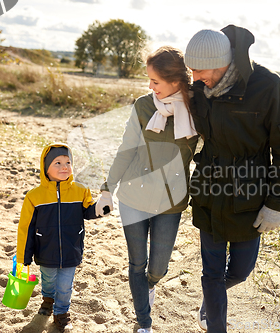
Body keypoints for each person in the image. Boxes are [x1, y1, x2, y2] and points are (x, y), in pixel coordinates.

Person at [184, 25, 280, 332]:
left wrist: (276, 204)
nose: (195, 78)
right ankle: (214, 321)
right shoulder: (199, 88)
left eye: (199, 70)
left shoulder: (267, 86)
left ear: (222, 63)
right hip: (208, 192)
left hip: (248, 196)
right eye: (191, 70)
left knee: (241, 270)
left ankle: (211, 300)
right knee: (211, 274)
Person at [95, 46, 199, 333]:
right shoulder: (143, 106)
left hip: (171, 202)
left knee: (158, 269)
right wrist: (107, 190)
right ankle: (144, 324)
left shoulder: (196, 109)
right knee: (137, 264)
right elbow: (126, 149)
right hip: (134, 197)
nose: (149, 87)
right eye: (149, 80)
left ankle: (149, 285)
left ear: (176, 81)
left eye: (155, 81)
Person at [17, 143, 103, 332]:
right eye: (57, 162)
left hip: (71, 249)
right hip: (45, 250)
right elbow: (26, 229)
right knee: (48, 281)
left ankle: (62, 314)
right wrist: (24, 258)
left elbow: (89, 211)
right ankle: (48, 300)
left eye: (68, 162)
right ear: (45, 168)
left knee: (65, 286)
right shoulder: (34, 197)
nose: (64, 167)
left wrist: (102, 207)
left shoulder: (80, 191)